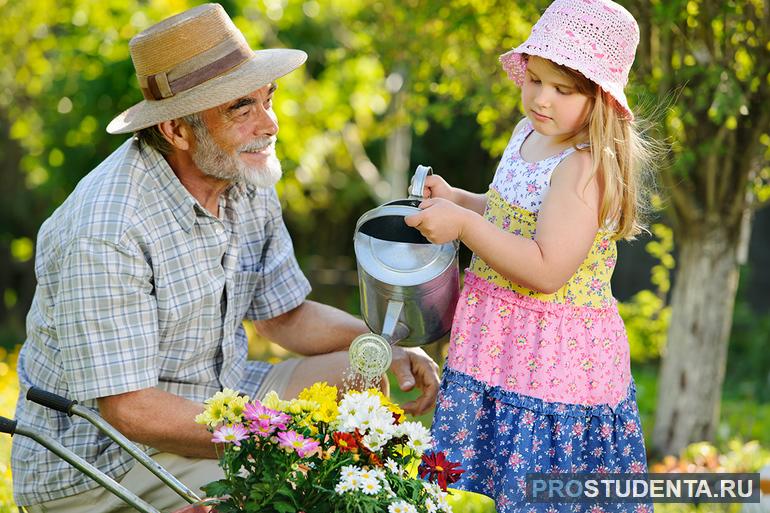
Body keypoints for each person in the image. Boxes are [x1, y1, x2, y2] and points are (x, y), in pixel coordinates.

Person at [11, 4, 439, 512]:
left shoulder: (244, 176)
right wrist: (281, 441)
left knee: (361, 371)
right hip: (105, 459)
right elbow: (132, 410)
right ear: (176, 131)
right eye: (242, 108)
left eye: (267, 100)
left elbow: (285, 317)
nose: (271, 125)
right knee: (305, 478)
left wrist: (388, 347)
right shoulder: (107, 229)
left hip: (223, 396)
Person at [405, 0, 654, 511]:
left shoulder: (583, 165)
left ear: (601, 98)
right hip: (506, 347)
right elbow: (510, 215)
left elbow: (546, 268)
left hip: (553, 361)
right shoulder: (530, 134)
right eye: (535, 79)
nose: (541, 98)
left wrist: (467, 227)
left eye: (563, 89)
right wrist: (462, 201)